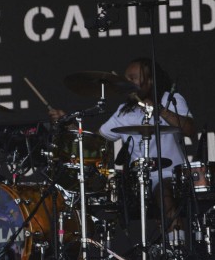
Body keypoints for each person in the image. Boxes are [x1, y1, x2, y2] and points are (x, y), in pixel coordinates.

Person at [50, 58, 196, 245]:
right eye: (126, 78)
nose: (127, 82)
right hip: (137, 179)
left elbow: (190, 129)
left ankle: (178, 250)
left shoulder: (170, 99)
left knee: (163, 193)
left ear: (150, 80)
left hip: (171, 174)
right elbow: (94, 143)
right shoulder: (124, 112)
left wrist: (160, 110)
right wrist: (67, 124)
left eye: (133, 78)